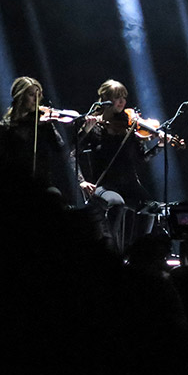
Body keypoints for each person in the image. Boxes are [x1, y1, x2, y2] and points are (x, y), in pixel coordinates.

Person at [76, 79, 162, 253]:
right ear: (106, 100)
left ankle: (139, 251)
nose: (122, 101)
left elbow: (142, 158)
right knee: (116, 203)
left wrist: (159, 147)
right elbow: (73, 153)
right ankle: (111, 252)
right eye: (117, 97)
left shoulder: (129, 125)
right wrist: (82, 181)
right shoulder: (95, 126)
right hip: (103, 185)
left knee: (153, 208)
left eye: (124, 97)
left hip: (130, 184)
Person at [0, 76, 67, 199]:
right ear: (20, 96)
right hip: (15, 186)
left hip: (43, 185)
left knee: (54, 196)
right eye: (31, 95)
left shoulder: (43, 123)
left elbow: (62, 149)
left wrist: (84, 131)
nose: (37, 99)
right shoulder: (4, 127)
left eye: (39, 94)